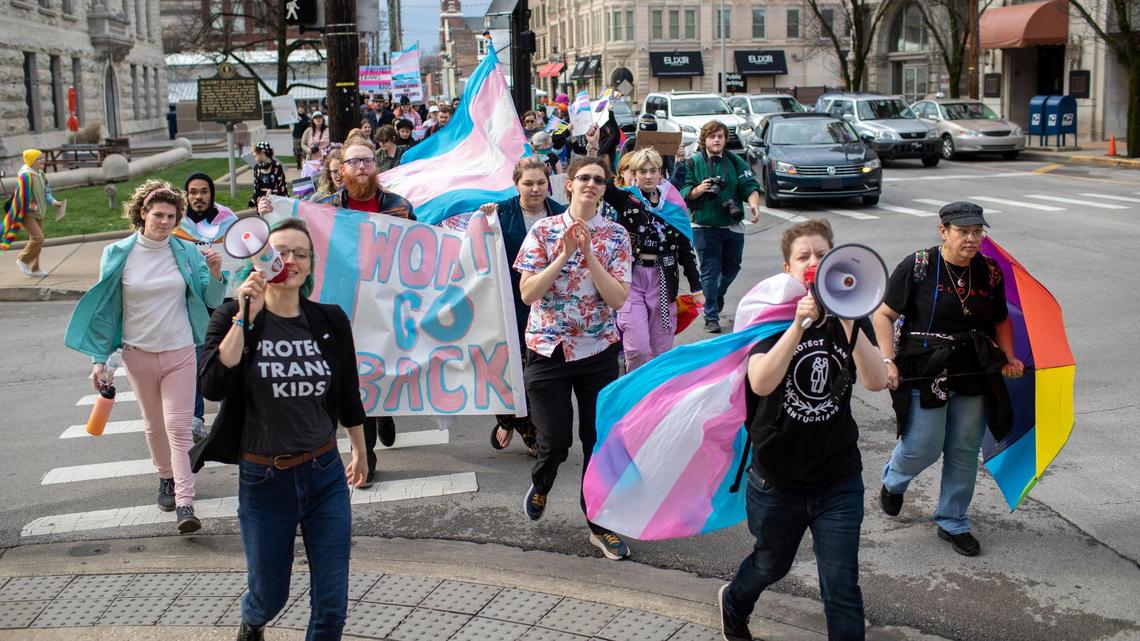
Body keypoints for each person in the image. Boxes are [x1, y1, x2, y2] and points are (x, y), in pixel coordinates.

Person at [191, 217, 367, 641]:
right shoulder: (234, 314)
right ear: (261, 259)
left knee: (331, 605)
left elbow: (347, 391)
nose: (289, 260)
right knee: (269, 594)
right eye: (280, 252)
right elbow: (212, 384)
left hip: (324, 474)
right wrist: (244, 317)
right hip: (264, 479)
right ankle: (253, 620)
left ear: (310, 265)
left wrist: (359, 450)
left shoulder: (329, 320)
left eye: (300, 253)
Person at [718, 219, 888, 641]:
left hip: (838, 477)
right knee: (771, 564)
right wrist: (796, 326)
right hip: (778, 479)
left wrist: (850, 323)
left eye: (820, 254)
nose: (813, 262)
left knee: (841, 585)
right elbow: (760, 382)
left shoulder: (851, 312)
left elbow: (875, 380)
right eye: (803, 257)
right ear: (787, 267)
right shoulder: (770, 315)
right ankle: (735, 601)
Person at [64, 180, 226, 533]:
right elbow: (108, 309)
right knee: (153, 426)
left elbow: (212, 297)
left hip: (181, 350)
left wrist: (216, 273)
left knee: (179, 428)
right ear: (142, 214)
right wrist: (99, 359)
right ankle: (165, 477)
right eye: (158, 215)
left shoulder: (186, 252)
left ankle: (185, 502)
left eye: (172, 216)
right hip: (138, 354)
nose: (165, 222)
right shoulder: (118, 253)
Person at [873, 202, 1023, 557]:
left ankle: (953, 520)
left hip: (973, 367)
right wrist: (887, 361)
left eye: (978, 232)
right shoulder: (919, 266)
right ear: (944, 231)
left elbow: (1001, 319)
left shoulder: (989, 272)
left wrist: (1009, 356)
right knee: (922, 445)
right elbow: (883, 315)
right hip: (926, 368)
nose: (972, 239)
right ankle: (894, 480)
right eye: (963, 232)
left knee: (964, 449)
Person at [264, 142, 414, 487]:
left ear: (375, 166)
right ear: (341, 170)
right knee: (352, 372)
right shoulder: (324, 207)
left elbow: (421, 246)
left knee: (381, 366)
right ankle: (367, 454)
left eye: (367, 160)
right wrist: (270, 211)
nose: (361, 166)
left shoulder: (399, 207)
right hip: (344, 302)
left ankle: (385, 410)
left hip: (387, 300)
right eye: (354, 161)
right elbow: (298, 234)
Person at [515, 156, 633, 561]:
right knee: (556, 442)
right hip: (547, 349)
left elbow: (618, 298)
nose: (590, 184)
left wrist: (590, 255)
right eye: (583, 177)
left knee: (598, 442)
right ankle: (542, 482)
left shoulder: (616, 236)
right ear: (568, 184)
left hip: (597, 350)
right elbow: (528, 294)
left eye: (598, 180)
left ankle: (599, 524)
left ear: (605, 188)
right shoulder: (544, 231)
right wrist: (564, 255)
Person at [474, 157, 568, 455]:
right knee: (511, 370)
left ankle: (520, 422)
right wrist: (484, 220)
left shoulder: (561, 213)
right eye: (528, 183)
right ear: (516, 185)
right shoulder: (501, 213)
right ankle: (520, 426)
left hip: (549, 306)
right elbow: (476, 248)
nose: (535, 188)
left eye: (541, 182)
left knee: (540, 376)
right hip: (508, 303)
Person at [603, 148, 702, 371]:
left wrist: (696, 286)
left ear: (660, 173)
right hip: (631, 279)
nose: (648, 176)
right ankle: (635, 393)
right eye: (642, 171)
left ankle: (657, 398)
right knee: (638, 348)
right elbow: (603, 182)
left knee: (661, 349)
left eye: (653, 171)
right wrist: (595, 145)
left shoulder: (673, 204)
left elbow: (684, 249)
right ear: (634, 174)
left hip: (664, 281)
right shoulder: (626, 198)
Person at [680, 121, 762, 334]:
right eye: (712, 136)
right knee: (709, 271)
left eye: (720, 136)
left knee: (732, 269)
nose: (716, 140)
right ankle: (711, 316)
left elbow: (749, 186)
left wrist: (754, 205)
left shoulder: (735, 161)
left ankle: (717, 295)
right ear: (704, 140)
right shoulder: (693, 162)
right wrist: (700, 189)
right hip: (704, 226)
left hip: (732, 225)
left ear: (725, 139)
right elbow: (684, 192)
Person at [177, 172, 240, 443]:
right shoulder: (177, 224)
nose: (198, 197)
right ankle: (195, 418)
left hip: (226, 297)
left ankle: (230, 415)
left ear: (211, 193)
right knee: (197, 359)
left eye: (203, 191)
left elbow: (245, 251)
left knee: (228, 357)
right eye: (193, 192)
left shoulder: (228, 221)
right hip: (193, 299)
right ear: (186, 195)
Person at [6, 149, 61, 276]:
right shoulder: (26, 176)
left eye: (42, 157)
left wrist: (53, 202)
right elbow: (22, 196)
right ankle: (22, 259)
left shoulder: (41, 174)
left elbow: (46, 192)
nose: (43, 160)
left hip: (39, 212)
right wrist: (33, 206)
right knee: (38, 238)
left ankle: (35, 268)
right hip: (27, 214)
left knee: (37, 241)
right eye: (39, 158)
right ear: (31, 161)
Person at [291, 104, 311, 169]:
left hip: (304, 137)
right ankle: (298, 163)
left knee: (303, 153)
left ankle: (303, 164)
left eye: (302, 109)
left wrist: (301, 120)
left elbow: (307, 125)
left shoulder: (306, 118)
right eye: (299, 108)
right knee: (296, 151)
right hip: (296, 137)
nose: (300, 110)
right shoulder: (295, 116)